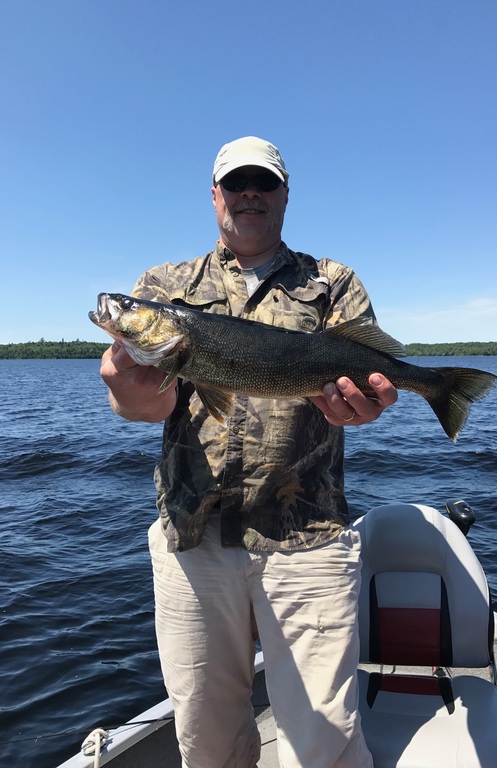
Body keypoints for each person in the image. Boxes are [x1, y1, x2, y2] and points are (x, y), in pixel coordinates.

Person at [100, 136, 397, 768]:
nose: (249, 195)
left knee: (325, 741)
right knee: (205, 739)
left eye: (263, 183)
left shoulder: (332, 283)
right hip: (194, 536)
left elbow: (365, 393)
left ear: (285, 194)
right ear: (215, 197)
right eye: (236, 184)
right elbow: (147, 405)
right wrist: (127, 393)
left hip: (309, 536)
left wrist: (368, 404)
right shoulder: (164, 287)